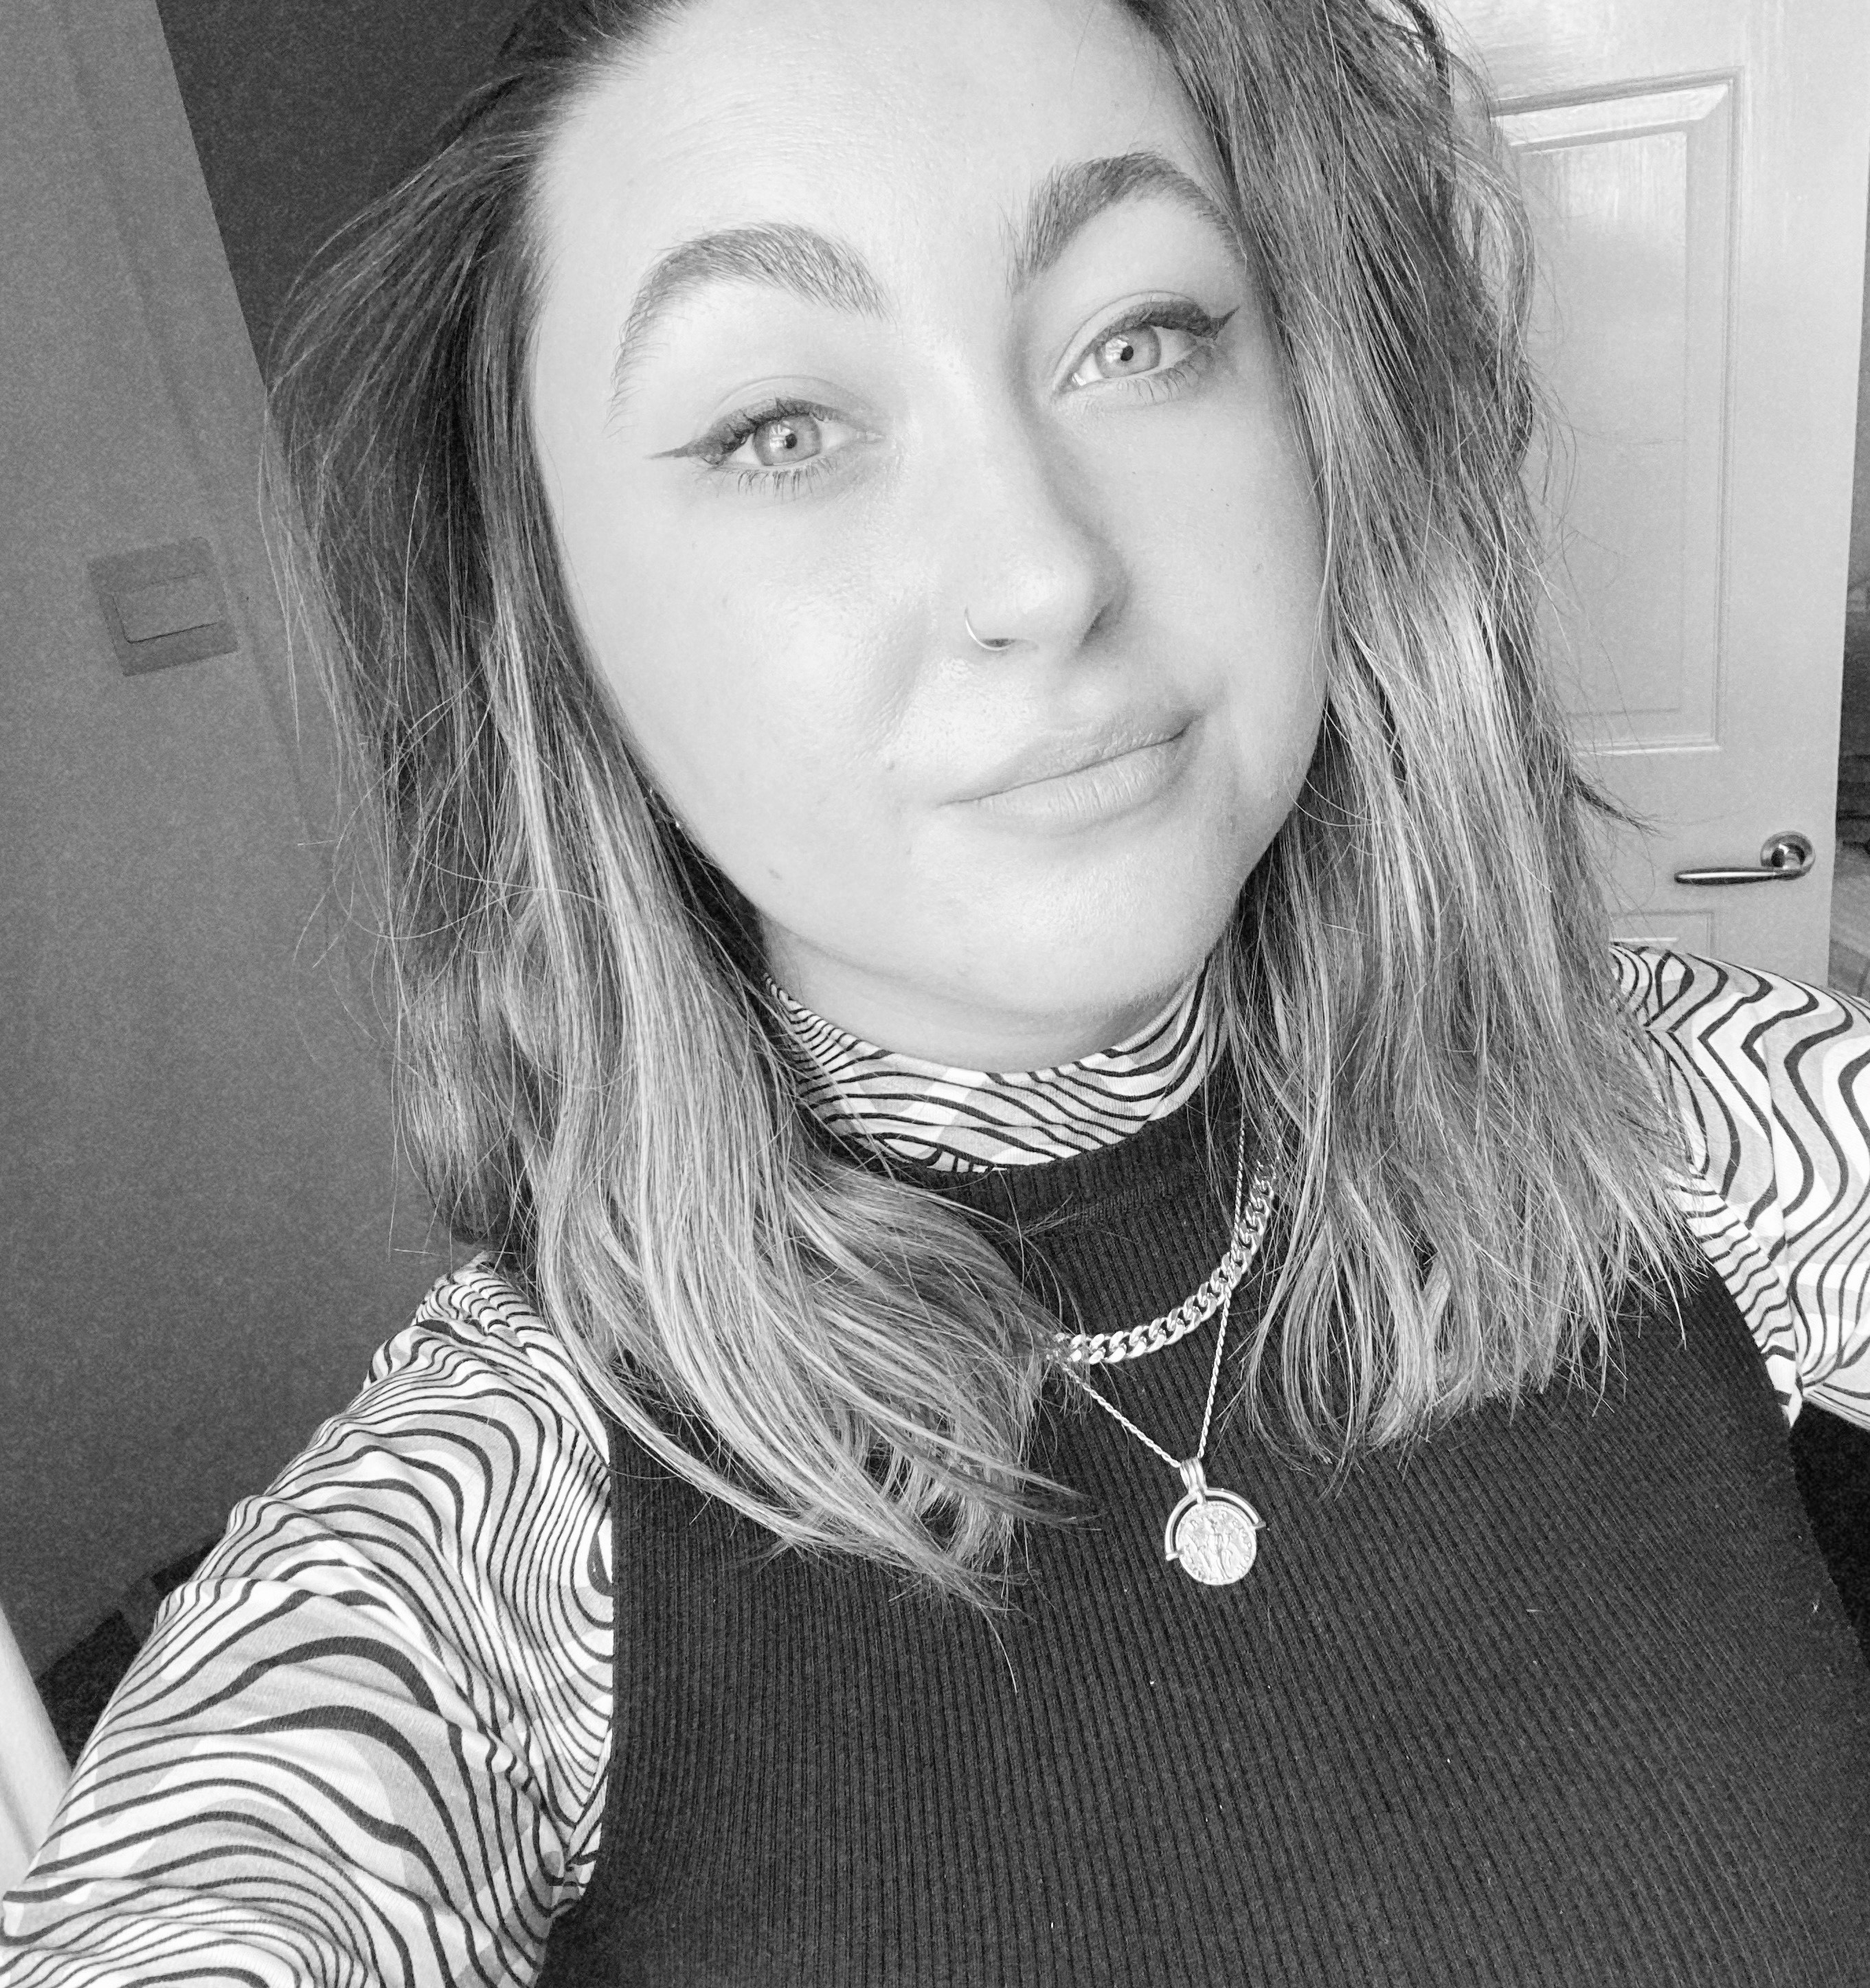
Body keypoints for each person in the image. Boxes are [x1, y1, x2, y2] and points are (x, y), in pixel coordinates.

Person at [5, 0, 1869, 1979]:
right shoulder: (478, 1532)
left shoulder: (1708, 1111)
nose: (1042, 570)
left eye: (1140, 337)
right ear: (549, 620)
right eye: (779, 429)